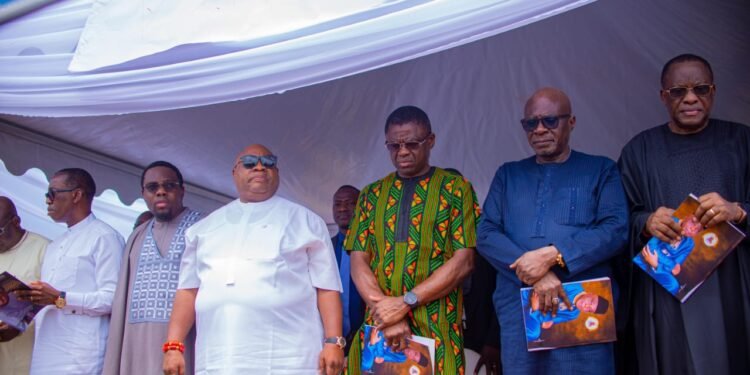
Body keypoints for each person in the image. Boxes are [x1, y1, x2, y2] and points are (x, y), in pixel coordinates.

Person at [476, 88, 628, 374]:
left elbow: (616, 229)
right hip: (520, 310)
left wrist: (555, 255)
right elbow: (485, 233)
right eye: (531, 123)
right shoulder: (508, 174)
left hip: (581, 306)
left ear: (570, 122)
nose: (540, 129)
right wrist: (537, 273)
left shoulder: (601, 169)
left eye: (550, 121)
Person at [618, 53, 750, 374]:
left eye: (700, 89)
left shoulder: (743, 140)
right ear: (664, 96)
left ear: (713, 92)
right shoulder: (639, 151)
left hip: (734, 280)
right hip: (668, 296)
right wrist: (646, 222)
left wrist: (739, 211)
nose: (690, 98)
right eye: (678, 91)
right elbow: (617, 220)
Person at [162, 144, 344, 375]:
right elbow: (188, 291)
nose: (259, 167)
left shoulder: (307, 221)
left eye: (268, 162)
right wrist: (173, 346)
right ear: (234, 172)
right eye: (249, 163)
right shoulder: (203, 229)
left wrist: (334, 341)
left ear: (277, 171)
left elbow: (327, 287)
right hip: (220, 356)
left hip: (290, 357)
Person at [345, 105, 480, 374]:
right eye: (394, 145)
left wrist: (403, 303)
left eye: (411, 143)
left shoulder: (455, 188)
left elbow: (463, 262)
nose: (403, 152)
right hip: (381, 328)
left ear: (431, 141)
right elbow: (358, 260)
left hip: (437, 328)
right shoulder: (371, 194)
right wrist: (386, 312)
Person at [16, 168, 125, 374]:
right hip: (45, 351)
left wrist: (61, 298)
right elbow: (51, 300)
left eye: (52, 193)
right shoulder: (55, 245)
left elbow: (112, 300)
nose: (48, 201)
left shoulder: (105, 237)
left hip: (80, 356)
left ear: (76, 195)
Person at [103, 161, 202, 375]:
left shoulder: (203, 229)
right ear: (143, 193)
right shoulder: (137, 236)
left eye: (169, 186)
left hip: (187, 342)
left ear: (182, 190)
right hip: (135, 342)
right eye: (152, 187)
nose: (160, 192)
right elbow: (122, 301)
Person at [445, 167, 501, 375]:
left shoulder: (488, 240)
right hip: (439, 339)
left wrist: (494, 344)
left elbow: (503, 294)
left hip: (483, 341)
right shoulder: (419, 244)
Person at [0, 197, 48, 375]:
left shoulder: (44, 249)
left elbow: (55, 303)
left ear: (16, 222)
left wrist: (19, 323)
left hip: (27, 356)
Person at [331, 185, 365, 353]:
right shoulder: (325, 247)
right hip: (331, 340)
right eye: (337, 204)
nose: (343, 208)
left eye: (350, 203)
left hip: (367, 338)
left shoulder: (376, 248)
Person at [633, 215, 701, 295]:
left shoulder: (689, 243)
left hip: (660, 269)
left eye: (697, 229)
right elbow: (651, 247)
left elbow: (675, 266)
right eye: (693, 222)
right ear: (686, 217)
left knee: (674, 285)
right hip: (643, 260)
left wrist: (656, 264)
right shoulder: (671, 221)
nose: (693, 229)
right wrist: (670, 264)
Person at [522, 283, 609, 341]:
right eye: (591, 301)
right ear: (590, 294)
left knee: (534, 334)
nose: (586, 306)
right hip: (531, 294)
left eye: (589, 310)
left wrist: (535, 308)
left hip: (534, 311)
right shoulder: (574, 286)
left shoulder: (573, 314)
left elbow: (546, 319)